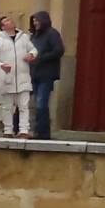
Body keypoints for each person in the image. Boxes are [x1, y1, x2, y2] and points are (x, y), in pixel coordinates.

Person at [0, 16, 32, 137]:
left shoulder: (24, 37)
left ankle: (24, 130)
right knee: (7, 106)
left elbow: (33, 50)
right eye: (6, 21)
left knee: (23, 105)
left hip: (23, 77)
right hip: (7, 78)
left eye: (10, 19)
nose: (10, 21)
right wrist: (1, 65)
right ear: (2, 26)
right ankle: (8, 130)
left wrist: (31, 55)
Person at [27, 11, 65, 140]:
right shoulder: (34, 36)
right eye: (34, 21)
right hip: (34, 74)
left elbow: (59, 50)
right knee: (33, 104)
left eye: (37, 21)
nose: (35, 23)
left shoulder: (52, 33)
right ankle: (34, 130)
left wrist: (40, 58)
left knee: (41, 103)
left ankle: (43, 133)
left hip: (46, 74)